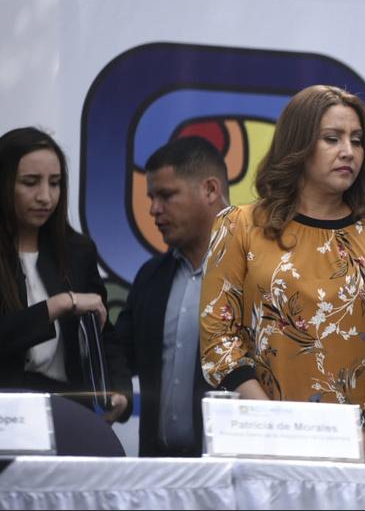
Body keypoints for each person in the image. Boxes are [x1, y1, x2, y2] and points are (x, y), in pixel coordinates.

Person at [200, 85, 365, 464]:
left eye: (357, 140)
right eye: (332, 139)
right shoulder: (239, 226)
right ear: (298, 144)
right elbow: (219, 338)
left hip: (357, 457)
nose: (348, 151)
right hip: (259, 446)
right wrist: (273, 426)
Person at [0, 127, 130, 422]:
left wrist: (120, 392)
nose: (45, 196)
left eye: (55, 183)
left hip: (68, 411)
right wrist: (59, 304)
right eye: (30, 183)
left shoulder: (77, 250)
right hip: (7, 414)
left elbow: (103, 332)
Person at [115, 137, 228, 456]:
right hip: (159, 478)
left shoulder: (258, 274)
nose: (153, 209)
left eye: (165, 195)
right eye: (151, 197)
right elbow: (120, 355)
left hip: (230, 480)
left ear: (210, 190)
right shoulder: (150, 277)